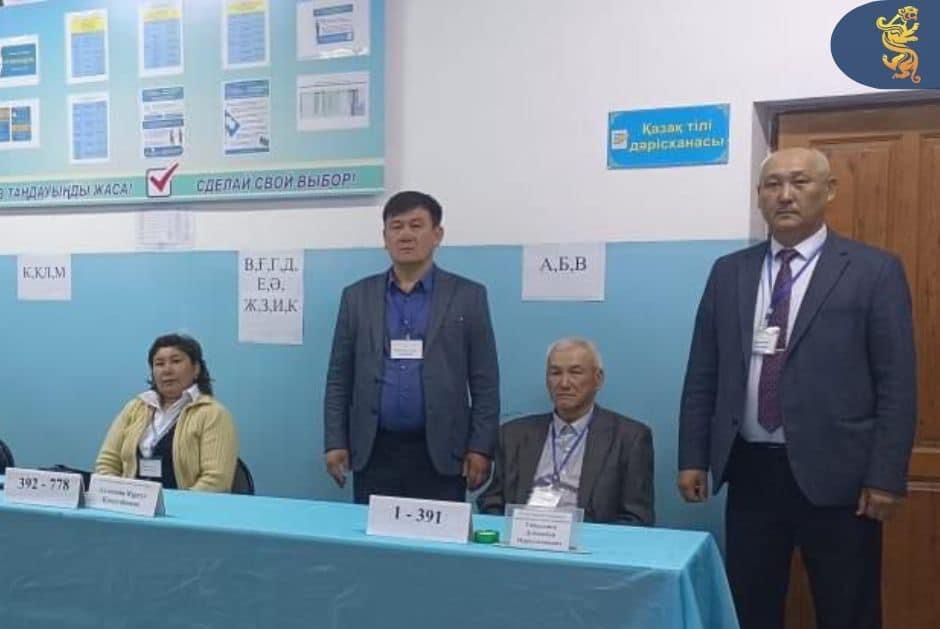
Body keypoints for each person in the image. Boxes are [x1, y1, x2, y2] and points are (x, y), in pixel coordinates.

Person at [678, 147, 916, 629]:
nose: (785, 195)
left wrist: (886, 476)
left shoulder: (873, 270)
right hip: (750, 468)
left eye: (800, 182)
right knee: (750, 605)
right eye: (773, 184)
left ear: (829, 191)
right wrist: (692, 456)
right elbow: (703, 369)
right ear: (759, 196)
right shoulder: (729, 271)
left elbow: (896, 382)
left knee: (848, 609)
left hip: (841, 476)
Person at [323, 190, 500, 503]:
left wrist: (481, 447)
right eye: (397, 226)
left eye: (416, 225)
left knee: (438, 534)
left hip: (444, 452)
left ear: (437, 235)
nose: (405, 235)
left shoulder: (468, 296)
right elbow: (339, 377)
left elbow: (485, 380)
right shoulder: (356, 297)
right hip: (374, 449)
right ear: (385, 237)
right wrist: (335, 440)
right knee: (375, 534)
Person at [481, 338, 654, 525]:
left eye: (575, 372)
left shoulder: (629, 439)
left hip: (588, 540)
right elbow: (492, 503)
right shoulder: (513, 435)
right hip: (523, 536)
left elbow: (637, 517)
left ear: (598, 379)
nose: (564, 383)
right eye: (555, 373)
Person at [95, 334, 238, 492]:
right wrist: (117, 496)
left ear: (196, 368)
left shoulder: (213, 414)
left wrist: (176, 504)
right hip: (131, 504)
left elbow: (216, 480)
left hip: (185, 506)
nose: (167, 370)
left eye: (176, 361)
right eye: (159, 363)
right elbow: (107, 464)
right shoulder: (135, 408)